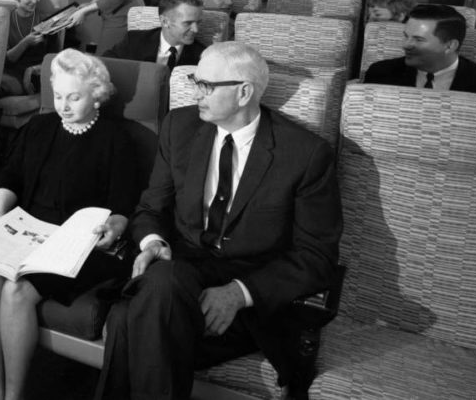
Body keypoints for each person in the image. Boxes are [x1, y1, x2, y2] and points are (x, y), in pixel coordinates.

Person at [96, 42, 342, 400]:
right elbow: (151, 208)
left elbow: (317, 257)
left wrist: (239, 294)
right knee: (162, 281)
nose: (196, 93)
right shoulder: (178, 128)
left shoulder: (305, 155)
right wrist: (154, 243)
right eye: (196, 81)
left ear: (244, 92)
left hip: (251, 299)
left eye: (206, 85)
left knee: (126, 318)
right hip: (179, 275)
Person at [0, 49, 136, 400]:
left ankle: (13, 396)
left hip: (80, 243)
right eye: (58, 96)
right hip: (30, 229)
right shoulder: (40, 126)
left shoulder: (116, 139)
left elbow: (124, 205)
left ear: (97, 95)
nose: (63, 105)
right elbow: (11, 176)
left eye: (74, 97)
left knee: (16, 292)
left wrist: (116, 226)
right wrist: (0, 215)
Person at [363, 4, 476, 95]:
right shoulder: (380, 74)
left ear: (450, 46)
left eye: (418, 39)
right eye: (406, 36)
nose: (405, 45)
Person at [106, 0, 205, 68]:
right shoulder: (134, 40)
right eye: (188, 23)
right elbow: (105, 63)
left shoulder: (202, 55)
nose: (196, 29)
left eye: (198, 22)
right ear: (165, 22)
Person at [1, 0, 50, 96]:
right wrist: (25, 42)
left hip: (37, 71)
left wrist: (34, 69)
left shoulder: (45, 20)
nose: (34, 1)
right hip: (11, 71)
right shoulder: (6, 20)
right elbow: (6, 60)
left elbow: (53, 58)